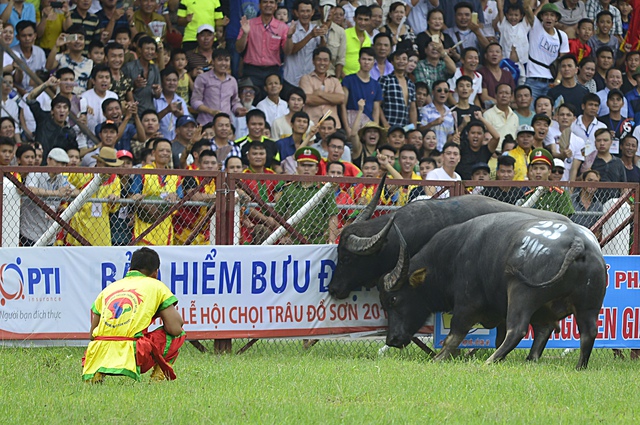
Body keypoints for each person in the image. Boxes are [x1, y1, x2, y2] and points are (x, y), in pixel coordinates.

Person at [82, 247, 186, 383]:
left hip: (98, 355)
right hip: (134, 353)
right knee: (178, 335)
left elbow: (92, 335)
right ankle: (157, 380)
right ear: (156, 273)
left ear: (130, 268)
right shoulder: (157, 286)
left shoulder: (109, 289)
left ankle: (96, 375)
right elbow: (175, 328)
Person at [274, 146, 339, 244]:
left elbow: (332, 216)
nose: (306, 168)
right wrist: (282, 236)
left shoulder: (325, 189)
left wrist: (331, 241)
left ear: (316, 169)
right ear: (297, 168)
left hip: (317, 240)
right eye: (303, 165)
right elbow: (278, 214)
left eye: (310, 165)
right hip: (294, 240)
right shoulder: (289, 189)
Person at [65, 146, 122, 247]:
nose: (111, 170)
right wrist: (73, 191)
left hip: (101, 228)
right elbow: (63, 177)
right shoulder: (83, 174)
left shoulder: (115, 179)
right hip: (79, 226)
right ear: (99, 163)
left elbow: (114, 209)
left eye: (112, 167)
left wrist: (114, 200)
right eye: (108, 166)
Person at [20, 147, 77, 246]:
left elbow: (76, 191)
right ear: (48, 160)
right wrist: (57, 193)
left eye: (63, 163)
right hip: (30, 231)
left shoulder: (60, 178)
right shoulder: (36, 172)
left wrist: (67, 192)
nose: (60, 166)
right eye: (58, 162)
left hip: (49, 233)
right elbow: (30, 189)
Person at [129, 138, 180, 246]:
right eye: (161, 150)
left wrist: (175, 196)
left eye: (168, 151)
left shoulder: (175, 176)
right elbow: (133, 194)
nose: (165, 153)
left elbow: (180, 198)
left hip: (166, 231)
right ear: (153, 153)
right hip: (144, 229)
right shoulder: (143, 172)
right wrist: (140, 200)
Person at [236, 0, 290, 94]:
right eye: (265, 2)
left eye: (271, 2)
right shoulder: (249, 24)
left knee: (271, 104)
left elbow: (287, 51)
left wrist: (289, 37)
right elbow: (239, 48)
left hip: (272, 71)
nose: (268, 5)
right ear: (259, 5)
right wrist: (245, 34)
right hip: (252, 70)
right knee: (249, 103)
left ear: (276, 6)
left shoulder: (283, 27)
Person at [26, 76, 78, 163]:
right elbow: (30, 98)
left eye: (65, 107)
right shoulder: (43, 118)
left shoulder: (70, 132)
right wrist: (46, 84)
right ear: (52, 111)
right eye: (58, 107)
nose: (61, 110)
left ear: (68, 112)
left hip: (58, 171)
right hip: (39, 168)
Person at [525, 2, 569, 100]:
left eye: (552, 15)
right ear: (541, 17)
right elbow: (526, 7)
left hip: (551, 82)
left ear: (556, 18)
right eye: (546, 15)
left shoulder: (562, 36)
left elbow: (563, 61)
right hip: (533, 79)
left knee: (548, 113)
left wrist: (558, 80)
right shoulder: (535, 26)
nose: (549, 18)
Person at [191, 48, 246, 126]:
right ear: (213, 62)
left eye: (226, 60)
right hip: (206, 123)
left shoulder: (232, 81)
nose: (223, 63)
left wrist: (238, 109)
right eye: (220, 60)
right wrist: (211, 111)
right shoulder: (202, 78)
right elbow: (195, 101)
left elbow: (235, 102)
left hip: (225, 125)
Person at [173, 150, 218, 245]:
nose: (210, 166)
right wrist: (220, 196)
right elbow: (195, 197)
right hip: (182, 231)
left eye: (213, 163)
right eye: (206, 163)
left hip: (204, 233)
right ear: (199, 165)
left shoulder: (219, 180)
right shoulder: (191, 176)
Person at [282, 0, 325, 87]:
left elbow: (323, 51)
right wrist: (310, 36)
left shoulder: (315, 28)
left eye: (308, 11)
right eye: (302, 11)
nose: (305, 14)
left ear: (312, 12)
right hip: (291, 79)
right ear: (296, 13)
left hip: (310, 79)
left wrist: (322, 36)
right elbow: (291, 50)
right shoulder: (289, 27)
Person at [521, 147, 574, 217]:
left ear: (549, 172)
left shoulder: (560, 194)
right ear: (531, 171)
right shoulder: (529, 195)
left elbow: (567, 218)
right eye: (535, 168)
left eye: (542, 168)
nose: (538, 172)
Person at [341, 47, 382, 130]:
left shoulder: (376, 84)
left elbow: (376, 110)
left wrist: (375, 128)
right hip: (351, 123)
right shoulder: (348, 80)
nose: (366, 62)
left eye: (370, 60)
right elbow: (343, 105)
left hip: (368, 126)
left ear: (374, 62)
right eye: (364, 59)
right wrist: (347, 128)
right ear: (359, 60)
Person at [122, 36, 161, 115]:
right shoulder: (128, 67)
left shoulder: (155, 68)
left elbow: (157, 95)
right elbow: (123, 91)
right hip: (133, 112)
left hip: (149, 111)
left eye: (152, 49)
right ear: (139, 50)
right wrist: (134, 85)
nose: (150, 52)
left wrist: (157, 91)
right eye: (147, 49)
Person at [380, 49, 417, 128]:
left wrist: (413, 128)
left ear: (407, 62)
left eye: (404, 59)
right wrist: (385, 123)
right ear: (392, 62)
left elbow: (412, 109)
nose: (401, 61)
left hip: (405, 128)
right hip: (389, 125)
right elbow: (377, 104)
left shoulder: (411, 84)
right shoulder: (385, 80)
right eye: (398, 59)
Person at [419, 79, 454, 150]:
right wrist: (433, 123)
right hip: (428, 152)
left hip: (442, 155)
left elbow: (449, 135)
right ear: (433, 92)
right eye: (439, 90)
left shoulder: (450, 113)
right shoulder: (425, 110)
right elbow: (420, 130)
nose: (443, 93)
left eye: (446, 91)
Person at [343, 5, 372, 77]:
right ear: (354, 19)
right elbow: (336, 59)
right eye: (360, 19)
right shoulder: (344, 34)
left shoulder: (368, 40)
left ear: (370, 21)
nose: (362, 23)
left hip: (361, 81)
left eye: (366, 20)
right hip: (344, 80)